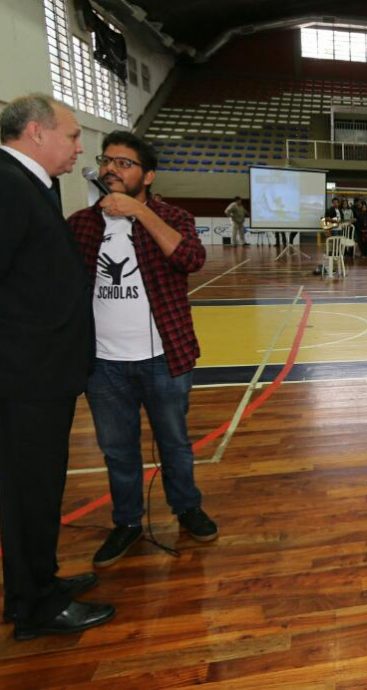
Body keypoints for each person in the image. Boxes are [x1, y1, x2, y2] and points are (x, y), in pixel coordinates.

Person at [68, 131, 218, 569]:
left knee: (175, 443)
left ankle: (187, 508)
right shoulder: (81, 224)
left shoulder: (173, 217)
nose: (112, 169)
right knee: (117, 450)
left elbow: (190, 259)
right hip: (103, 364)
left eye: (124, 163)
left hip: (164, 358)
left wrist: (139, 213)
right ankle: (127, 522)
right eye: (107, 160)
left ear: (148, 176)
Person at [0, 94, 115, 640]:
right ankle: (36, 606)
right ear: (36, 132)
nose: (79, 147)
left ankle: (36, 584)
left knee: (38, 489)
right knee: (31, 493)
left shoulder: (27, 184)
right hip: (25, 376)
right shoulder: (7, 186)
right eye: (72, 135)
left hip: (37, 374)